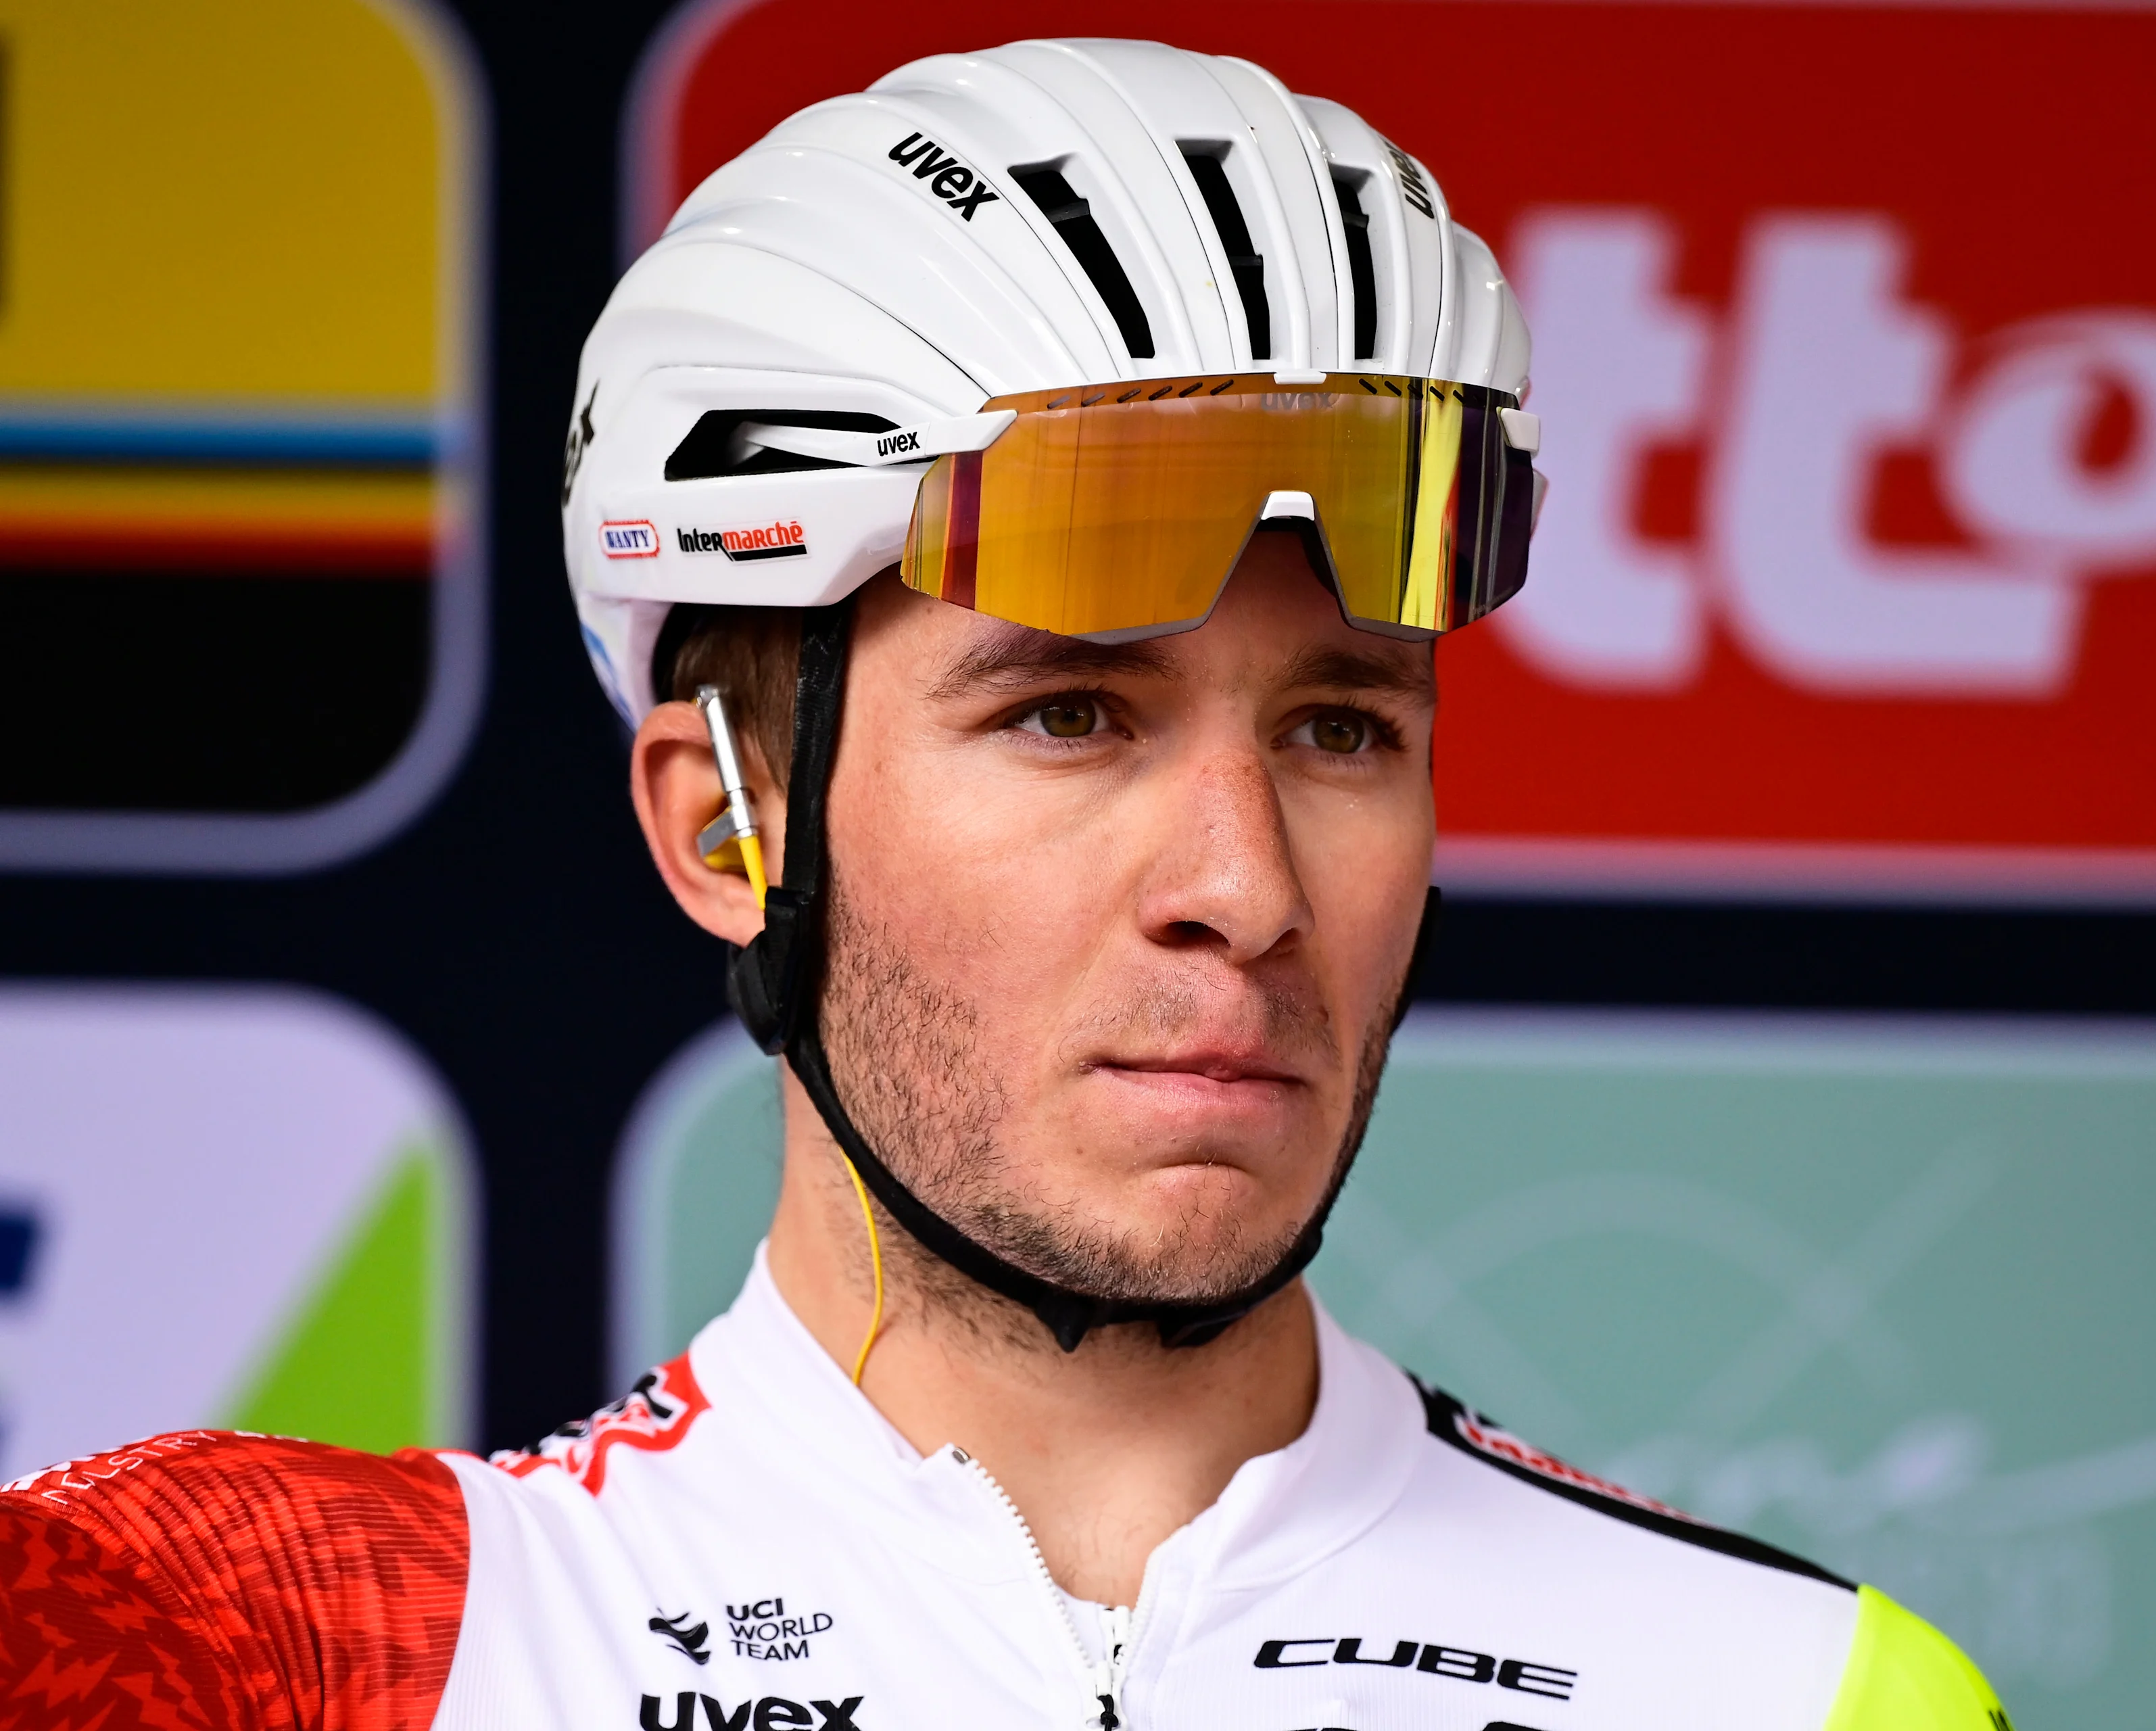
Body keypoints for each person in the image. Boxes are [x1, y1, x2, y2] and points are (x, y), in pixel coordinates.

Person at [1, 39, 2003, 1730]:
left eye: (1339, 730)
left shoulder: (1807, 1689)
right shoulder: (277, 1644)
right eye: (1069, 717)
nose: (1245, 888)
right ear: (725, 826)